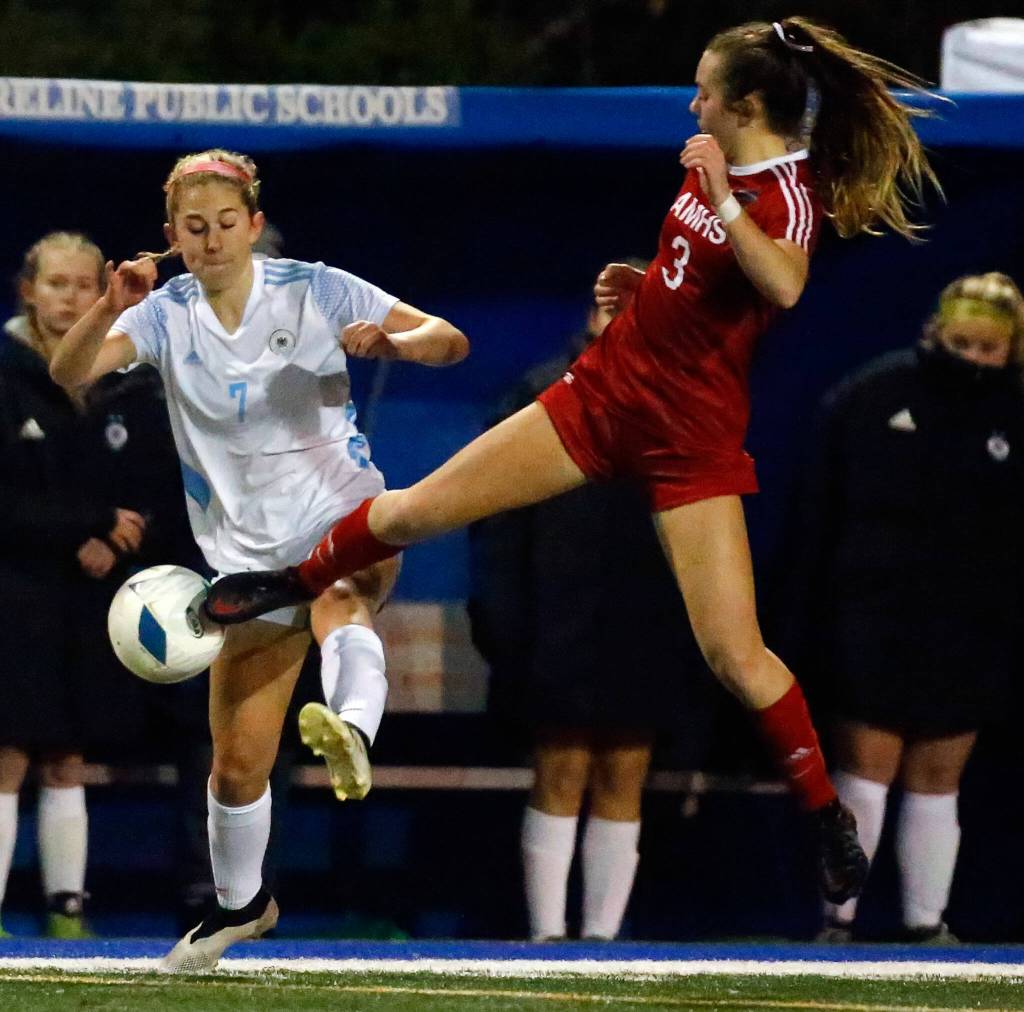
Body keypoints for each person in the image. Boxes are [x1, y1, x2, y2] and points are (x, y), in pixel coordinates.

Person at [205, 17, 940, 905]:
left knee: (735, 655)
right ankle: (283, 582)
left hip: (688, 439)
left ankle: (825, 813)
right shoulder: (710, 162)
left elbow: (782, 283)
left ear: (748, 106)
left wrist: (722, 193)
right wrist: (646, 287)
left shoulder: (782, 189)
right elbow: (701, 278)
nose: (694, 104)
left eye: (706, 90)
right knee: (412, 510)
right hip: (604, 394)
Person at [49, 149, 468, 970]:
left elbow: (448, 339)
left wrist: (395, 341)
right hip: (247, 566)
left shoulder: (316, 287)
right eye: (194, 228)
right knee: (237, 768)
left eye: (225, 223)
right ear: (172, 236)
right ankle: (242, 907)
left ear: (254, 223)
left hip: (343, 512)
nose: (211, 241)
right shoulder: (162, 313)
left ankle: (352, 726)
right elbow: (70, 372)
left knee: (342, 594)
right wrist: (108, 306)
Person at [470, 275, 709, 941]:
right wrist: (506, 628)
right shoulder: (540, 393)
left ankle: (602, 941)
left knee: (625, 773)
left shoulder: (687, 399)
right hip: (554, 622)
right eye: (617, 309)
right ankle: (547, 938)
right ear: (594, 315)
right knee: (561, 769)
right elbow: (495, 519)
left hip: (647, 619)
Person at [791, 272, 1024, 943]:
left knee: (938, 781)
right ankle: (838, 921)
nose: (973, 358)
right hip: (873, 624)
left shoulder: (1015, 415)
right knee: (865, 774)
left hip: (970, 629)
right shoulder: (871, 395)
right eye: (961, 343)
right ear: (935, 332)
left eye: (988, 348)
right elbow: (817, 517)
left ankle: (927, 925)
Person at [0, 231, 163, 938]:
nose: (70, 299)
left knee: (68, 756)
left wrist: (119, 534)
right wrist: (87, 525)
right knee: (8, 753)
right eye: (56, 284)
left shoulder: (125, 378)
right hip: (14, 595)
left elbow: (148, 481)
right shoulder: (6, 377)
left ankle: (67, 911)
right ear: (27, 291)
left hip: (88, 598)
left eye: (84, 285)